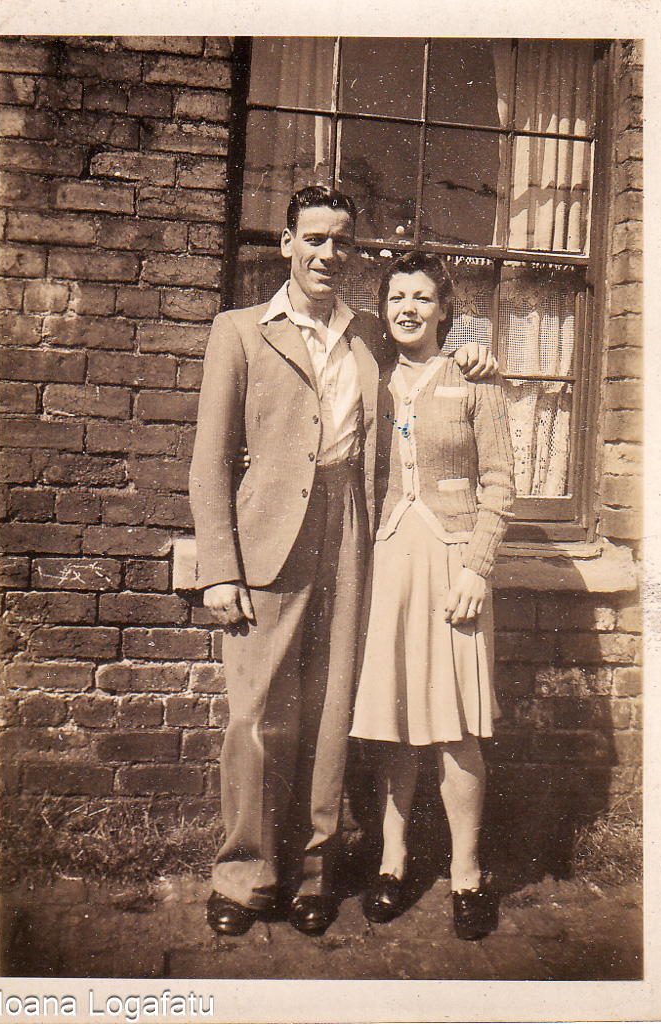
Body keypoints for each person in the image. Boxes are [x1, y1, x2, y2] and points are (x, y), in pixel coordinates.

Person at [189, 186, 496, 938]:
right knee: (257, 714)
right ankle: (244, 875)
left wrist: (476, 346)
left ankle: (316, 876)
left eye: (341, 243)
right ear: (287, 244)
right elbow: (208, 463)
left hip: (353, 528)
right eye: (315, 239)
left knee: (333, 711)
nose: (329, 254)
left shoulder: (366, 331)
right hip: (267, 536)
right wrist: (218, 567)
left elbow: (431, 343)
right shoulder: (239, 331)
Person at [349, 251, 515, 940]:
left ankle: (467, 874)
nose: (408, 308)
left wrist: (477, 568)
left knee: (454, 731)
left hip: (452, 566)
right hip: (389, 560)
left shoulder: (475, 378)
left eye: (422, 297)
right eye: (396, 297)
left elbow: (501, 484)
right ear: (383, 308)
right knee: (393, 725)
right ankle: (390, 863)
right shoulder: (372, 379)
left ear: (445, 309)